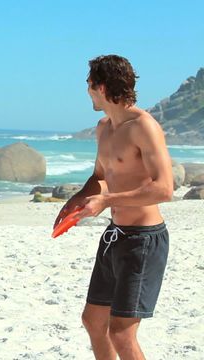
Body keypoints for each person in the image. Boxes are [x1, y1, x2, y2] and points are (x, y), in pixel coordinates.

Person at [55, 55, 173, 359]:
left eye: (89, 84)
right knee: (93, 321)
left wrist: (106, 200)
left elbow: (164, 188)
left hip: (144, 241)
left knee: (121, 332)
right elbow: (99, 176)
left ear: (102, 87)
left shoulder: (143, 127)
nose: (86, 90)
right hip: (115, 236)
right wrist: (78, 198)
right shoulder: (103, 128)